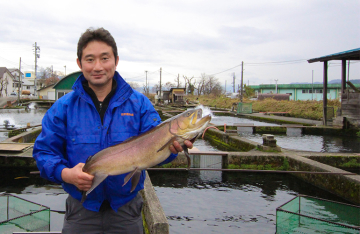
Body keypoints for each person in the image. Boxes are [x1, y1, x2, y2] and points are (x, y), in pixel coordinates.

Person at [33, 27, 192, 234]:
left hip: (126, 212)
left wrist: (172, 150)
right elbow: (44, 153)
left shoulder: (140, 105)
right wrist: (66, 174)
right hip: (81, 210)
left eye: (104, 58)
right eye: (90, 60)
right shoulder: (62, 109)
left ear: (116, 60)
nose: (97, 66)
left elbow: (158, 153)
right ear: (79, 63)